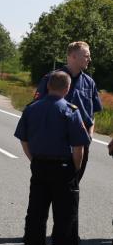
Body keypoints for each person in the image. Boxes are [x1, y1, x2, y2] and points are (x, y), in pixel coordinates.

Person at [14, 71, 90, 245]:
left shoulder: (31, 108)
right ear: (67, 89)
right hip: (64, 169)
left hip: (39, 167)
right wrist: (74, 169)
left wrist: (35, 160)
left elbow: (24, 139)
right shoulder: (70, 110)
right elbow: (79, 147)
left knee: (36, 217)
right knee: (65, 219)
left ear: (48, 87)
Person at [35, 41, 101, 182]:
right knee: (47, 191)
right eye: (86, 55)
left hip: (80, 144)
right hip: (55, 145)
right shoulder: (52, 79)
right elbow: (37, 110)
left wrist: (89, 134)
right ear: (73, 56)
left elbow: (92, 113)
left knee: (72, 187)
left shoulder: (89, 82)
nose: (89, 59)